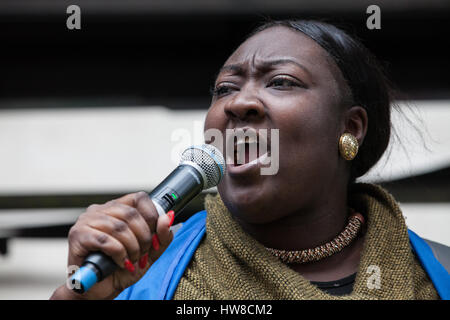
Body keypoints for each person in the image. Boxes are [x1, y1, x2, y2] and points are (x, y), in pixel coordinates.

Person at [50, 19, 450, 300]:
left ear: (352, 128)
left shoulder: (440, 274)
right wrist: (79, 295)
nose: (239, 102)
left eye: (281, 82)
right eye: (225, 88)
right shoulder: (146, 276)